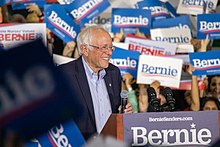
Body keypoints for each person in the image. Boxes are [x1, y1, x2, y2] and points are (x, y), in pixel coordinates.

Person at [58, 25, 133, 140]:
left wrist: (124, 111)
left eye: (111, 47)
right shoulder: (64, 74)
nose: (109, 53)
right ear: (85, 49)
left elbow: (117, 109)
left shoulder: (114, 72)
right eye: (104, 47)